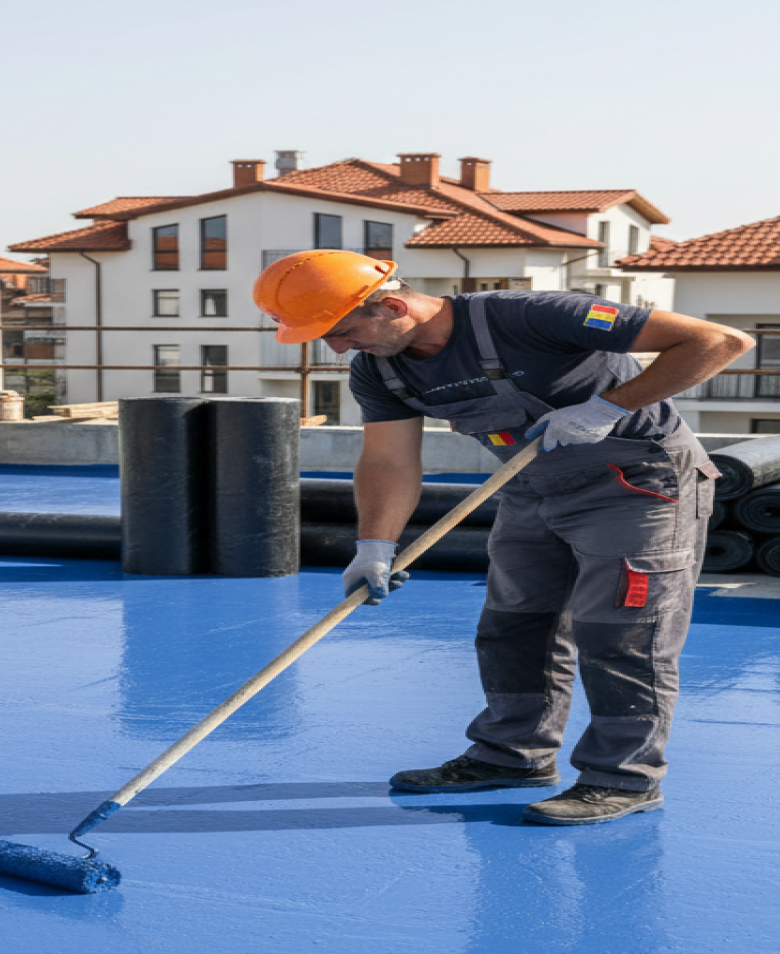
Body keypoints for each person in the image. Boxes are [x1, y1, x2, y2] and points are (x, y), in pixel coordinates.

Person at [253, 250, 752, 826]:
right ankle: (513, 756)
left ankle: (624, 778)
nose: (338, 350)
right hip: (530, 487)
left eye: (343, 332)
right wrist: (375, 545)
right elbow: (389, 460)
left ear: (392, 304)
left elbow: (719, 341)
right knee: (514, 625)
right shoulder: (382, 367)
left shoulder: (533, 316)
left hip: (638, 484)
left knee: (623, 634)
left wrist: (607, 407)